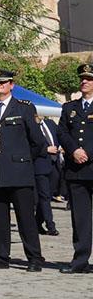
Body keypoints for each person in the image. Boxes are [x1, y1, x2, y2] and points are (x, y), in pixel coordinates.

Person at [0, 68, 46, 272]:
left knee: (25, 219)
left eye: (3, 83)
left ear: (11, 85)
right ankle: (1, 257)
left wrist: (22, 161)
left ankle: (34, 257)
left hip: (19, 172)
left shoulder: (24, 109)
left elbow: (38, 143)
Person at [57, 62, 93, 274]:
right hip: (77, 170)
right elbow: (62, 133)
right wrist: (74, 151)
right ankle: (80, 261)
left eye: (89, 79)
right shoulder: (69, 108)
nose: (84, 81)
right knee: (80, 219)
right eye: (82, 78)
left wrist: (87, 153)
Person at [34, 113, 62, 236]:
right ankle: (50, 225)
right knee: (44, 196)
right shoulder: (31, 127)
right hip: (40, 166)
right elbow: (29, 146)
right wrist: (45, 149)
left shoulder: (50, 124)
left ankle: (37, 222)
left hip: (54, 164)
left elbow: (59, 136)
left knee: (48, 195)